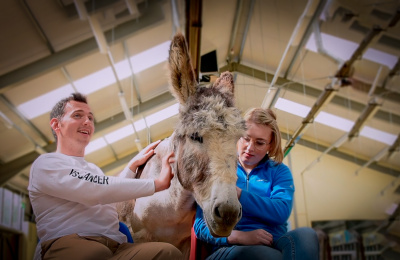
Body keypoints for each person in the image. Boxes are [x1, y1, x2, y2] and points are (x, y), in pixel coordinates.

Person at [28, 92, 182, 260]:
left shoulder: (92, 169)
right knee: (94, 254)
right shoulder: (46, 163)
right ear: (57, 125)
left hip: (116, 247)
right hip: (74, 244)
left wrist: (131, 168)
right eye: (77, 115)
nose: (87, 121)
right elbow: (94, 190)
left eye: (90, 117)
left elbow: (108, 197)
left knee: (168, 253)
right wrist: (157, 184)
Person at [194, 107, 319, 260]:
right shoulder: (217, 169)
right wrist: (240, 237)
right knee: (266, 256)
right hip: (229, 247)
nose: (250, 147)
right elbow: (200, 226)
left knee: (307, 236)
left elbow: (281, 212)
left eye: (259, 143)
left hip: (274, 242)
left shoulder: (280, 172)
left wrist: (239, 194)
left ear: (270, 146)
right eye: (246, 138)